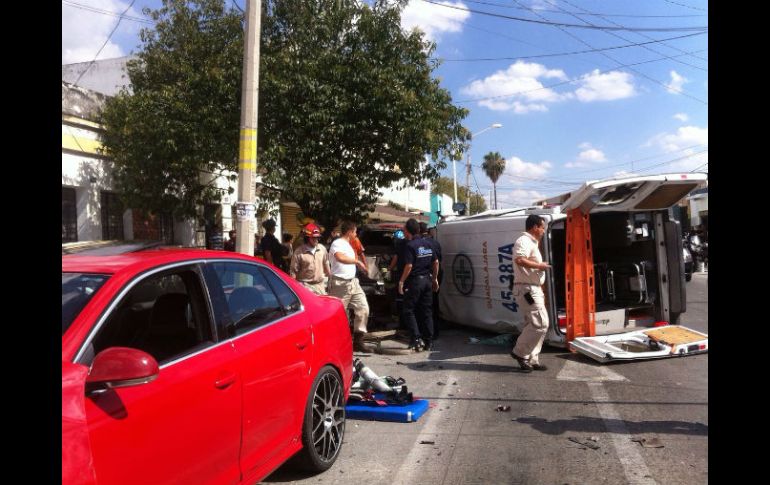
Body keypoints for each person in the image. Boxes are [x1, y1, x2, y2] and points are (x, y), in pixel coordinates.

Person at [510, 215, 551, 372]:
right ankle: (519, 353)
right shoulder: (524, 241)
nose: (543, 230)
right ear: (534, 227)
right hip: (527, 289)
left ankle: (532, 359)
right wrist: (539, 266)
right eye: (542, 227)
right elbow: (519, 260)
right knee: (540, 323)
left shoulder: (531, 242)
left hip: (532, 288)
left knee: (535, 324)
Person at [328, 220, 375, 353]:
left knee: (363, 308)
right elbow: (339, 258)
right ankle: (337, 344)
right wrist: (356, 262)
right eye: (355, 232)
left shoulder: (349, 244)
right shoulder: (337, 243)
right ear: (349, 232)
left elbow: (359, 254)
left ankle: (358, 341)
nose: (356, 234)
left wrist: (362, 264)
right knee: (339, 315)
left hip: (353, 282)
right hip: (340, 284)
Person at [398, 218, 439, 352]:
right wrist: (435, 279)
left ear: (408, 231)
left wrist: (401, 281)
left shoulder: (410, 246)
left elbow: (409, 265)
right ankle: (429, 341)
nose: (403, 233)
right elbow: (436, 262)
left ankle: (416, 338)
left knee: (408, 310)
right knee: (426, 311)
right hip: (427, 280)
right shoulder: (428, 243)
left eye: (404, 230)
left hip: (415, 281)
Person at [290, 224, 330, 295]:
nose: (316, 240)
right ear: (307, 238)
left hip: (320, 286)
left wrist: (330, 278)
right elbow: (293, 272)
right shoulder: (299, 252)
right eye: (313, 238)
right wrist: (294, 289)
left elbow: (326, 263)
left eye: (318, 238)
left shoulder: (322, 249)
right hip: (305, 286)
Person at [420, 222, 443, 339]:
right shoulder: (436, 243)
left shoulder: (420, 244)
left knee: (425, 305)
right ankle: (436, 331)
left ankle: (427, 332)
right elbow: (439, 260)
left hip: (426, 276)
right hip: (437, 275)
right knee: (435, 303)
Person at [388, 229, 408, 330]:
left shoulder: (400, 245)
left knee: (400, 298)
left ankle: (403, 323)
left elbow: (395, 259)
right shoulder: (410, 243)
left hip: (401, 275)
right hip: (410, 275)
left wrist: (389, 269)